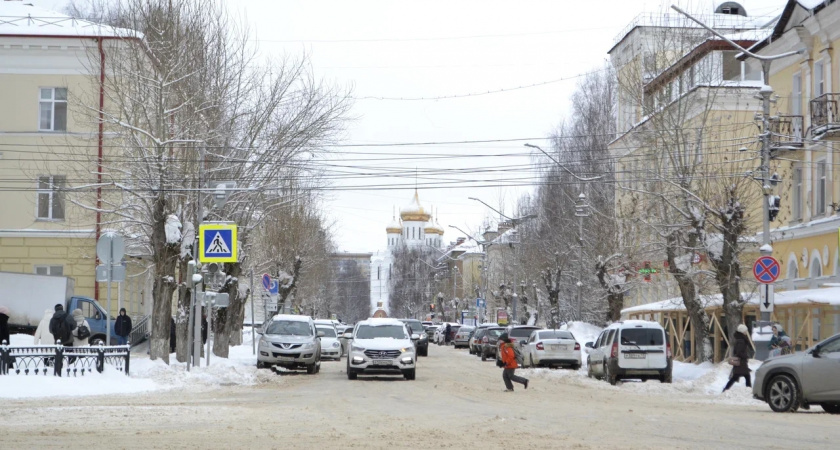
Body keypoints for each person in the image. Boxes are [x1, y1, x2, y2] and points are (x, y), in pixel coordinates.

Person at [723, 324, 752, 392]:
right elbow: (739, 352)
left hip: (741, 362)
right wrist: (745, 356)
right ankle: (749, 391)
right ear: (742, 331)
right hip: (741, 362)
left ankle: (725, 389)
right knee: (743, 376)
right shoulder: (741, 341)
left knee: (742, 376)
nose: (746, 332)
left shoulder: (740, 339)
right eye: (745, 331)